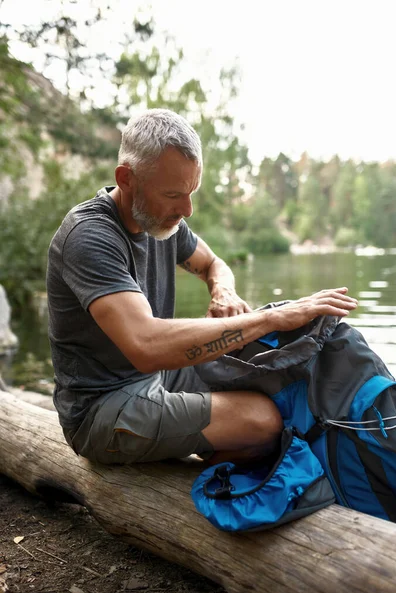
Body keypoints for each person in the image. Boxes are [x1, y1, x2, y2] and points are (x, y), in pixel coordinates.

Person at [46, 108, 358, 466]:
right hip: (100, 411)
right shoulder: (90, 236)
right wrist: (273, 318)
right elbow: (145, 345)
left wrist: (223, 290)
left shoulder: (161, 221)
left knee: (268, 375)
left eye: (191, 192)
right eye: (174, 194)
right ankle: (192, 494)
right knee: (262, 421)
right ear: (127, 178)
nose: (188, 209)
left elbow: (213, 264)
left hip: (156, 378)